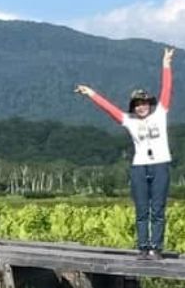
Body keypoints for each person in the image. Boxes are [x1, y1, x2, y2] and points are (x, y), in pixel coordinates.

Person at [75, 47, 175, 258]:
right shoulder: (128, 121)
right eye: (137, 104)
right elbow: (109, 108)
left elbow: (166, 89)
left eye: (144, 103)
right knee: (141, 210)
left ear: (149, 104)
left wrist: (165, 64)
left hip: (160, 165)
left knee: (157, 209)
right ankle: (142, 247)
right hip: (139, 167)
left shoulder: (160, 114)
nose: (141, 107)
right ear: (133, 107)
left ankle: (155, 247)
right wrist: (90, 93)